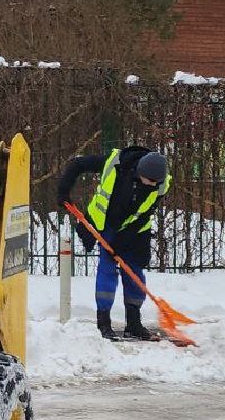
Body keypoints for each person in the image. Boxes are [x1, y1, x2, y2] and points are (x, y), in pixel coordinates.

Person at [57, 146, 171, 341]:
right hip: (106, 223)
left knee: (134, 271)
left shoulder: (160, 185)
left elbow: (144, 214)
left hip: (135, 228)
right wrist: (63, 190)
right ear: (139, 172)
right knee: (107, 269)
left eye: (156, 182)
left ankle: (134, 323)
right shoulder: (115, 163)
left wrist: (124, 238)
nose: (152, 185)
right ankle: (104, 323)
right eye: (149, 181)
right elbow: (78, 164)